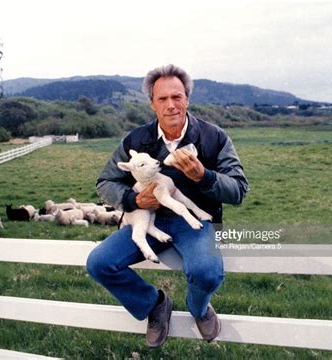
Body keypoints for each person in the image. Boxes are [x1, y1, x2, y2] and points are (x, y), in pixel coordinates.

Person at [86, 64, 249, 348]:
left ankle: (198, 308)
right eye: (162, 99)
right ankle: (155, 305)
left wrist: (205, 177)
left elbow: (238, 190)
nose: (171, 105)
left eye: (177, 97)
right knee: (99, 263)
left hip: (193, 222)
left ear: (187, 98)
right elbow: (105, 182)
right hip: (148, 221)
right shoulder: (135, 140)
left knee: (206, 273)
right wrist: (133, 200)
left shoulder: (214, 137)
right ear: (152, 104)